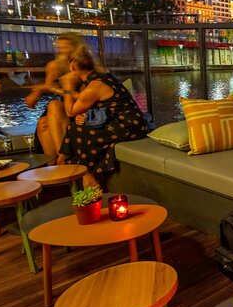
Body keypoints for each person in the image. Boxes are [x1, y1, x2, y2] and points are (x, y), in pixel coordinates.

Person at [57, 45, 148, 190]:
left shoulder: (94, 85)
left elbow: (70, 112)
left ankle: (85, 175)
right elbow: (103, 105)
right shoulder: (103, 77)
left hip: (129, 126)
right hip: (124, 121)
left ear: (73, 66)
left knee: (78, 129)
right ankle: (71, 167)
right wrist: (85, 114)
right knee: (74, 127)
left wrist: (67, 86)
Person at [24, 33, 85, 162]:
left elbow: (82, 94)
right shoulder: (54, 65)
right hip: (64, 105)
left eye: (65, 47)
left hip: (80, 105)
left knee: (52, 106)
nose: (61, 51)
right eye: (59, 48)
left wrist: (40, 89)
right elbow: (49, 86)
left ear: (76, 48)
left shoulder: (83, 65)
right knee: (43, 123)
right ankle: (55, 164)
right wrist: (37, 92)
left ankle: (63, 157)